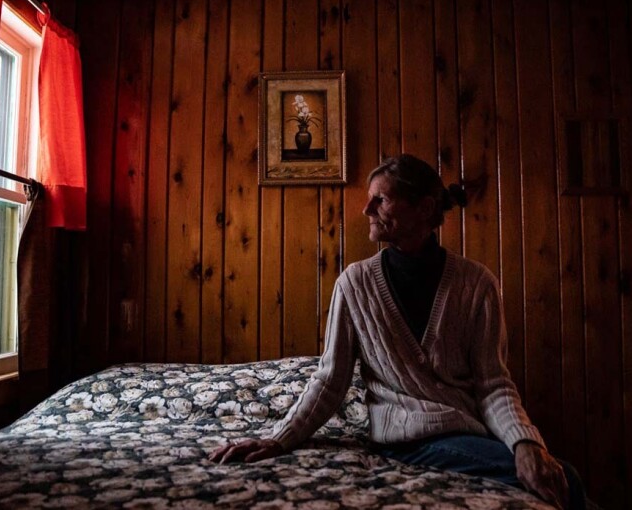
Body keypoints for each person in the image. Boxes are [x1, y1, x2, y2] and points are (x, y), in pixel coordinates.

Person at [210, 154, 586, 510]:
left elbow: (493, 384)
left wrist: (524, 442)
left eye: (381, 200)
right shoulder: (354, 285)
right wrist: (278, 438)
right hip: (403, 441)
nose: (366, 210)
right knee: (567, 480)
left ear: (423, 208)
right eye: (369, 200)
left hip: (467, 436)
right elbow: (330, 380)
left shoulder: (476, 284)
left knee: (558, 475)